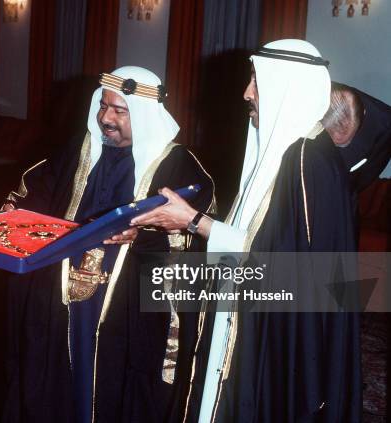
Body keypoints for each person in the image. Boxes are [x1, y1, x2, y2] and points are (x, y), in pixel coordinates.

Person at [132, 40, 361, 421]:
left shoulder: (307, 162)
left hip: (276, 334)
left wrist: (193, 221)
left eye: (256, 80)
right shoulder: (284, 153)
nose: (246, 93)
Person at [2, 66, 215, 422]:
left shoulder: (181, 166)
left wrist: (143, 235)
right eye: (103, 106)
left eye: (119, 111)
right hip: (62, 298)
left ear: (145, 115)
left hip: (127, 309)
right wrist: (14, 213)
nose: (105, 118)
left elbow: (194, 236)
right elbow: (36, 190)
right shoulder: (79, 151)